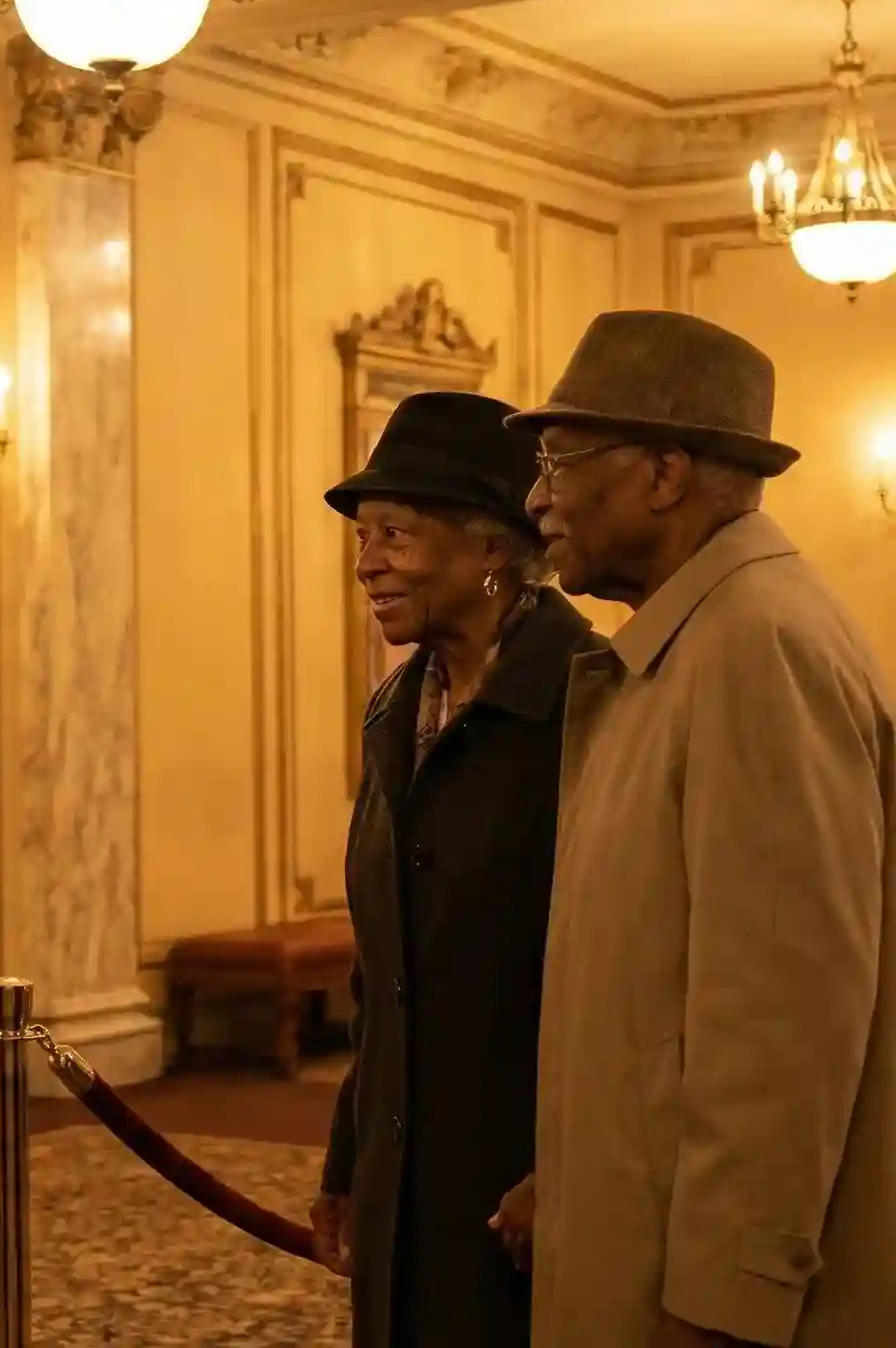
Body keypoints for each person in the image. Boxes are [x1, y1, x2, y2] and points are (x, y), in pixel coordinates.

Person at [508, 310, 896, 1348]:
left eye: (557, 458)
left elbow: (778, 1024)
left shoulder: (756, 646)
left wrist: (729, 1296)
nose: (538, 495)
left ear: (665, 474)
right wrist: (581, 1174)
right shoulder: (694, 646)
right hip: (645, 1242)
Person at [310, 391, 599, 1348]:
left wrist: (568, 1171)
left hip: (530, 1190)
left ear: (490, 551)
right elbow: (380, 974)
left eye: (395, 532)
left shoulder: (591, 705)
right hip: (406, 1190)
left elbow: (624, 979)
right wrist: (350, 1162)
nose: (367, 563)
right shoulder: (395, 714)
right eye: (363, 537)